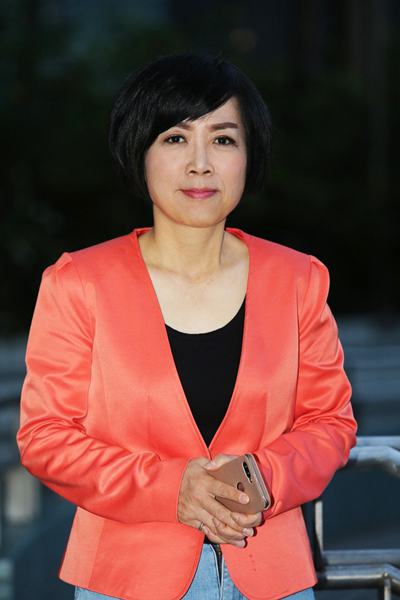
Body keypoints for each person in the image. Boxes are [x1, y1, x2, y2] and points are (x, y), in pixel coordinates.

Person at [16, 51, 357, 600]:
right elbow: (46, 437)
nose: (200, 164)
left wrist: (262, 477)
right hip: (125, 579)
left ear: (249, 154)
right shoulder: (79, 282)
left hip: (272, 577)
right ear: (140, 151)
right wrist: (171, 488)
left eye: (223, 139)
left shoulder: (298, 279)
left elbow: (330, 422)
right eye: (175, 138)